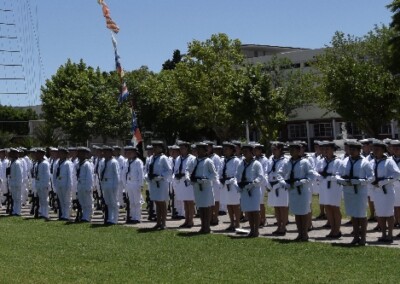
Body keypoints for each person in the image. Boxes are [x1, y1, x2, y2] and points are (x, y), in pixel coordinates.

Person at [337, 141, 374, 246]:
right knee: (353, 214)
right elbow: (337, 174)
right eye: (350, 149)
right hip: (348, 190)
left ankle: (363, 238)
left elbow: (372, 177)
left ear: (359, 151)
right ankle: (356, 236)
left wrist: (361, 181)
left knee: (361, 214)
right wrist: (342, 180)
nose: (351, 152)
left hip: (360, 191)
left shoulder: (364, 162)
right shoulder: (344, 161)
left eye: (354, 150)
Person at [278, 142, 314, 241]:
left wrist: (302, 181)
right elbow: (280, 173)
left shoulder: (305, 162)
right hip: (292, 189)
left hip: (302, 190)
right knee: (297, 213)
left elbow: (311, 175)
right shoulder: (287, 162)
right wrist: (283, 182)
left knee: (304, 212)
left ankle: (305, 233)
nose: (291, 152)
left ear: (299, 151)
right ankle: (300, 233)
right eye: (290, 150)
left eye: (293, 149)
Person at [369, 140, 400, 243]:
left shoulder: (389, 161)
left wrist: (383, 182)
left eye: (378, 149)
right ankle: (383, 234)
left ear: (383, 150)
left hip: (387, 191)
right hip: (376, 191)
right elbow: (368, 175)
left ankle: (390, 235)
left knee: (389, 213)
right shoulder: (372, 162)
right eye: (374, 149)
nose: (375, 151)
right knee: (379, 213)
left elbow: (396, 174)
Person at [186, 142, 217, 234]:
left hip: (206, 186)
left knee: (206, 207)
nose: (198, 151)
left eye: (201, 149)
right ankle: (202, 225)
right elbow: (188, 169)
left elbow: (214, 174)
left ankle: (207, 227)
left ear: (205, 151)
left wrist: (206, 179)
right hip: (196, 185)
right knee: (200, 207)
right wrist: (188, 177)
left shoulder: (208, 161)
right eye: (197, 149)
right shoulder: (194, 160)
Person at [315, 141, 342, 238]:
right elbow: (316, 171)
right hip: (324, 187)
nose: (325, 151)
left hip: (334, 187)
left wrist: (329, 177)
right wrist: (320, 176)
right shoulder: (321, 161)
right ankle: (332, 228)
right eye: (324, 149)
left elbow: (340, 175)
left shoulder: (338, 161)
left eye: (328, 149)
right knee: (327, 208)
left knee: (335, 208)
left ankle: (337, 229)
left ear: (333, 150)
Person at [236, 143, 264, 237]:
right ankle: (251, 229)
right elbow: (238, 175)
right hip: (244, 189)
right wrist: (238, 185)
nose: (244, 153)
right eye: (243, 151)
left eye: (246, 151)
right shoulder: (241, 163)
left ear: (252, 152)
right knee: (248, 210)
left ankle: (256, 230)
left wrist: (252, 184)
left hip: (254, 190)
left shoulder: (256, 163)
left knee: (255, 211)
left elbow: (260, 177)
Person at [145, 140, 172, 230]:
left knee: (162, 203)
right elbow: (148, 169)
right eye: (154, 147)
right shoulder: (151, 158)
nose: (155, 149)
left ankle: (163, 223)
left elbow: (169, 170)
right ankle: (158, 222)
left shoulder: (163, 158)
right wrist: (147, 176)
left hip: (161, 183)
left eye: (157, 147)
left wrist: (161, 176)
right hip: (153, 182)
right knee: (156, 202)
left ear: (161, 148)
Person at [266, 142, 289, 236]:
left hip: (281, 186)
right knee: (276, 206)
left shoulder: (286, 160)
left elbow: (287, 174)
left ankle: (283, 227)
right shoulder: (270, 159)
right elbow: (267, 171)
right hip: (272, 186)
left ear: (280, 149)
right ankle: (279, 225)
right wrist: (268, 184)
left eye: (275, 149)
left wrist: (279, 183)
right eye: (272, 149)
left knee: (282, 207)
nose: (273, 151)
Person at [174, 141, 196, 228]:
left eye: (183, 148)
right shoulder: (178, 158)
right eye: (180, 148)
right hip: (180, 182)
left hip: (188, 182)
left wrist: (184, 174)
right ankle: (186, 220)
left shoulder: (192, 158)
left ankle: (191, 220)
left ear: (187, 148)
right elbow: (176, 169)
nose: (181, 149)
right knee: (185, 202)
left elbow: (192, 170)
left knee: (190, 202)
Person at [220, 142, 241, 231]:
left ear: (232, 150)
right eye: (224, 149)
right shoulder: (223, 160)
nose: (225, 151)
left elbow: (238, 173)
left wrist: (232, 180)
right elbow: (220, 171)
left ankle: (237, 223)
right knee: (228, 204)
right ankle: (231, 222)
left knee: (235, 204)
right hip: (225, 183)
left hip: (233, 184)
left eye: (227, 149)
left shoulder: (236, 160)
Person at [123, 146, 144, 224]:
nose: (128, 154)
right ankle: (132, 216)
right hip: (129, 183)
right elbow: (123, 173)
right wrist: (125, 184)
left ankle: (137, 217)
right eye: (127, 152)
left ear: (135, 153)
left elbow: (141, 174)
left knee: (137, 201)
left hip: (136, 183)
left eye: (130, 152)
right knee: (131, 201)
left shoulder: (138, 162)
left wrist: (141, 185)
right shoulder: (126, 161)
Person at [99, 145, 120, 225]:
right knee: (108, 202)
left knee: (113, 202)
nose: (105, 153)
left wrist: (116, 186)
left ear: (111, 153)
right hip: (105, 183)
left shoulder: (114, 162)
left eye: (107, 151)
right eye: (104, 152)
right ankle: (110, 218)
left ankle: (114, 219)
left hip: (112, 183)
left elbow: (117, 175)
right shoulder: (103, 161)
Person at [204, 140, 222, 226]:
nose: (207, 149)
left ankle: (215, 217)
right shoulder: (205, 157)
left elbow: (218, 170)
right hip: (207, 182)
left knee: (216, 200)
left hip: (214, 182)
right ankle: (210, 217)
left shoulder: (216, 158)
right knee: (209, 200)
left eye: (208, 147)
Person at [53, 147, 73, 221]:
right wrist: (55, 184)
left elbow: (70, 175)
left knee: (66, 201)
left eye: (62, 153)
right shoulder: (57, 162)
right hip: (59, 184)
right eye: (59, 153)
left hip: (65, 184)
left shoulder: (68, 163)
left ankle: (66, 215)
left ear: (65, 154)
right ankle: (63, 215)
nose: (60, 154)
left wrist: (69, 186)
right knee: (61, 201)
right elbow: (54, 174)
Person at [253, 143, 269, 227]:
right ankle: (258, 219)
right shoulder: (253, 159)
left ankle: (263, 219)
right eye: (254, 150)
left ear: (260, 150)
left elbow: (265, 172)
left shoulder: (264, 159)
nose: (254, 151)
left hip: (261, 183)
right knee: (256, 202)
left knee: (261, 202)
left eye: (256, 150)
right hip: (254, 182)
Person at [34, 148, 51, 220]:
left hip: (44, 185)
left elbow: (47, 175)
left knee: (45, 200)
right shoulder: (37, 163)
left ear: (42, 154)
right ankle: (42, 213)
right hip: (39, 184)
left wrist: (46, 185)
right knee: (41, 200)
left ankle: (45, 214)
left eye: (38, 153)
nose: (36, 155)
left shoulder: (45, 163)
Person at [7, 148, 23, 216]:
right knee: (14, 198)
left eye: (11, 153)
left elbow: (19, 175)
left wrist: (18, 184)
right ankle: (14, 210)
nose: (10, 154)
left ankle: (18, 211)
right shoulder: (12, 162)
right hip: (13, 183)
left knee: (18, 198)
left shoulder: (17, 163)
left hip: (17, 183)